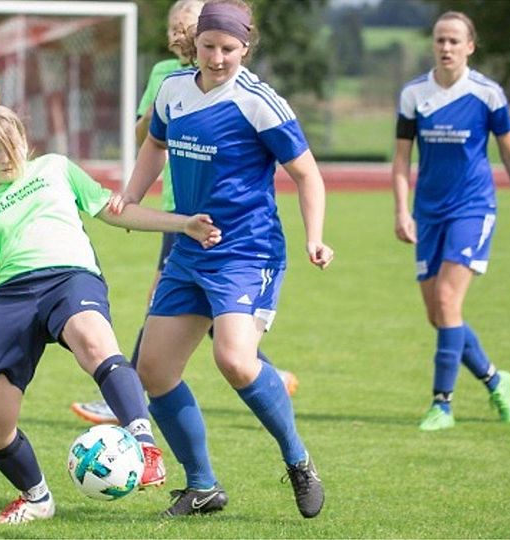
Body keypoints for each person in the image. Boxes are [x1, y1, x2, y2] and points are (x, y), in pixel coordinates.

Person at [0, 105, 222, 524]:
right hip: (13, 296)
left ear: (25, 142)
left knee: (94, 341)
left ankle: (144, 445)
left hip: (71, 277)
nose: (5, 157)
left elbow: (114, 210)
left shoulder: (55, 168)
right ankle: (36, 497)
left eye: (11, 146)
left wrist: (182, 224)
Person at [108, 0, 333, 519]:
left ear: (245, 48)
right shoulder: (173, 89)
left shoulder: (260, 102)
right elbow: (154, 144)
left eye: (228, 49)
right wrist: (133, 195)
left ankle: (298, 460)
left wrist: (315, 238)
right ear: (196, 44)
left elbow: (308, 175)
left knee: (233, 359)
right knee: (154, 371)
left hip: (247, 251)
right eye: (208, 46)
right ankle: (202, 486)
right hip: (190, 248)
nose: (217, 58)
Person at [69, 0, 298, 426]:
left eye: (187, 23)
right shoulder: (165, 76)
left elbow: (303, 169)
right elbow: (147, 135)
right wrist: (159, 117)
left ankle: (131, 395)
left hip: (221, 225)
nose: (180, 31)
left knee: (180, 306)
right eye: (176, 25)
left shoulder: (249, 96)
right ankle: (256, 374)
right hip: (177, 210)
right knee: (181, 306)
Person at [391, 11, 510, 432]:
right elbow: (401, 159)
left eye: (455, 40)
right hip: (428, 212)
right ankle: (494, 379)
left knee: (447, 301)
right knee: (438, 314)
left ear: (470, 46)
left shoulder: (487, 94)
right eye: (440, 39)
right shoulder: (414, 94)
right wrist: (402, 210)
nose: (446, 47)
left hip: (473, 209)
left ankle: (443, 404)